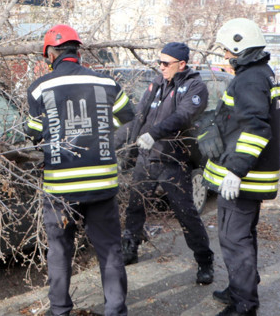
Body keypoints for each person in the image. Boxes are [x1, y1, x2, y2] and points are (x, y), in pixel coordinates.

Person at [25, 24, 135, 316]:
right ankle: (115, 310)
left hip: (61, 189)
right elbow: (127, 114)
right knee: (109, 250)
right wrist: (98, 130)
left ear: (50, 52)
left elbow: (34, 132)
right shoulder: (106, 82)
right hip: (101, 184)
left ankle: (60, 310)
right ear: (78, 50)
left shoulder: (39, 87)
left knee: (60, 252)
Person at [198, 18, 280, 316]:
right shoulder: (262, 74)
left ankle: (244, 304)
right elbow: (240, 120)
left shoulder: (250, 79)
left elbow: (256, 129)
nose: (224, 56)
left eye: (226, 50)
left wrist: (235, 170)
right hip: (252, 176)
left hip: (242, 179)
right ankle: (240, 287)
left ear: (239, 46)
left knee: (235, 240)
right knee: (243, 236)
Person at [120, 42, 214, 285]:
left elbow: (182, 116)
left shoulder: (195, 86)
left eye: (165, 63)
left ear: (181, 64)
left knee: (185, 213)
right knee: (135, 207)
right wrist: (126, 147)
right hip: (146, 158)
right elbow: (139, 116)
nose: (160, 67)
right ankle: (130, 249)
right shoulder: (157, 83)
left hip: (174, 159)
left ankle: (205, 261)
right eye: (159, 62)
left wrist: (155, 134)